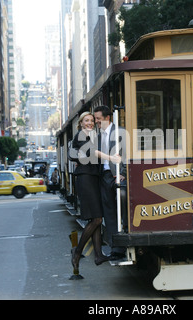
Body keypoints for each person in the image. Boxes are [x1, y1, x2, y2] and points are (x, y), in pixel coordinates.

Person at [70, 112, 109, 278]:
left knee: (97, 217)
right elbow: (93, 153)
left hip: (92, 178)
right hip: (85, 178)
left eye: (92, 120)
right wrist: (112, 158)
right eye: (87, 120)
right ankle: (77, 252)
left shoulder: (91, 136)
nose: (90, 123)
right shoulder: (81, 135)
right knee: (97, 219)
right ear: (81, 123)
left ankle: (98, 255)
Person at [93, 105, 127, 260]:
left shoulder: (121, 132)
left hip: (118, 176)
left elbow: (128, 153)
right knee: (109, 213)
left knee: (124, 211)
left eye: (98, 119)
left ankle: (127, 243)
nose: (96, 122)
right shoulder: (98, 135)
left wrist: (123, 173)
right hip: (105, 176)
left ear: (107, 118)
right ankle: (116, 249)